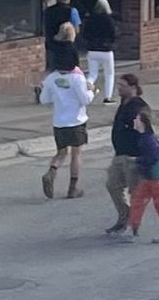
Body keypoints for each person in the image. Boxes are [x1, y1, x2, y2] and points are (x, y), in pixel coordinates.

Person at [39, 27, 93, 199]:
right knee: (76, 153)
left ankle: (52, 171)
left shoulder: (51, 79)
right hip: (76, 120)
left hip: (59, 121)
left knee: (62, 152)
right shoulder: (77, 78)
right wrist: (92, 90)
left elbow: (44, 100)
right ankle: (72, 188)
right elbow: (85, 100)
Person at [103, 74, 149, 236]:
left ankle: (133, 224)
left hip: (132, 156)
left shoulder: (138, 107)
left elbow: (146, 131)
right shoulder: (124, 103)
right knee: (113, 185)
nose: (119, 88)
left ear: (133, 87)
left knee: (135, 191)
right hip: (120, 154)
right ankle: (124, 216)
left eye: (122, 85)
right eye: (118, 85)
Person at [124, 109, 159, 243]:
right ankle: (133, 229)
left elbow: (151, 158)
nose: (134, 121)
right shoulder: (146, 138)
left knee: (157, 204)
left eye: (137, 119)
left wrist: (136, 161)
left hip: (155, 178)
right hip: (151, 177)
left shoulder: (148, 140)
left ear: (142, 123)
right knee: (138, 201)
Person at [78, 0, 118, 104]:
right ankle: (108, 97)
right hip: (106, 50)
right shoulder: (109, 20)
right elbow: (113, 34)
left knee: (92, 74)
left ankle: (84, 90)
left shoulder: (91, 19)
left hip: (92, 49)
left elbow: (85, 34)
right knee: (109, 74)